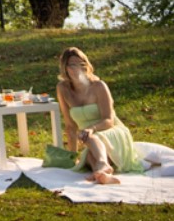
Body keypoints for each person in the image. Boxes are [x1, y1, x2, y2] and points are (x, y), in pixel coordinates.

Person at [57, 45, 141, 182]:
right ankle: (104, 174)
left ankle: (102, 163)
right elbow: (70, 125)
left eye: (81, 64)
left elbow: (109, 120)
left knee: (90, 136)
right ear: (65, 68)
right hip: (89, 139)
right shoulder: (62, 88)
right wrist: (72, 157)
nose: (78, 68)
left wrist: (91, 129)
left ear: (87, 66)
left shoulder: (99, 86)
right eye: (72, 65)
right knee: (89, 157)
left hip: (109, 130)